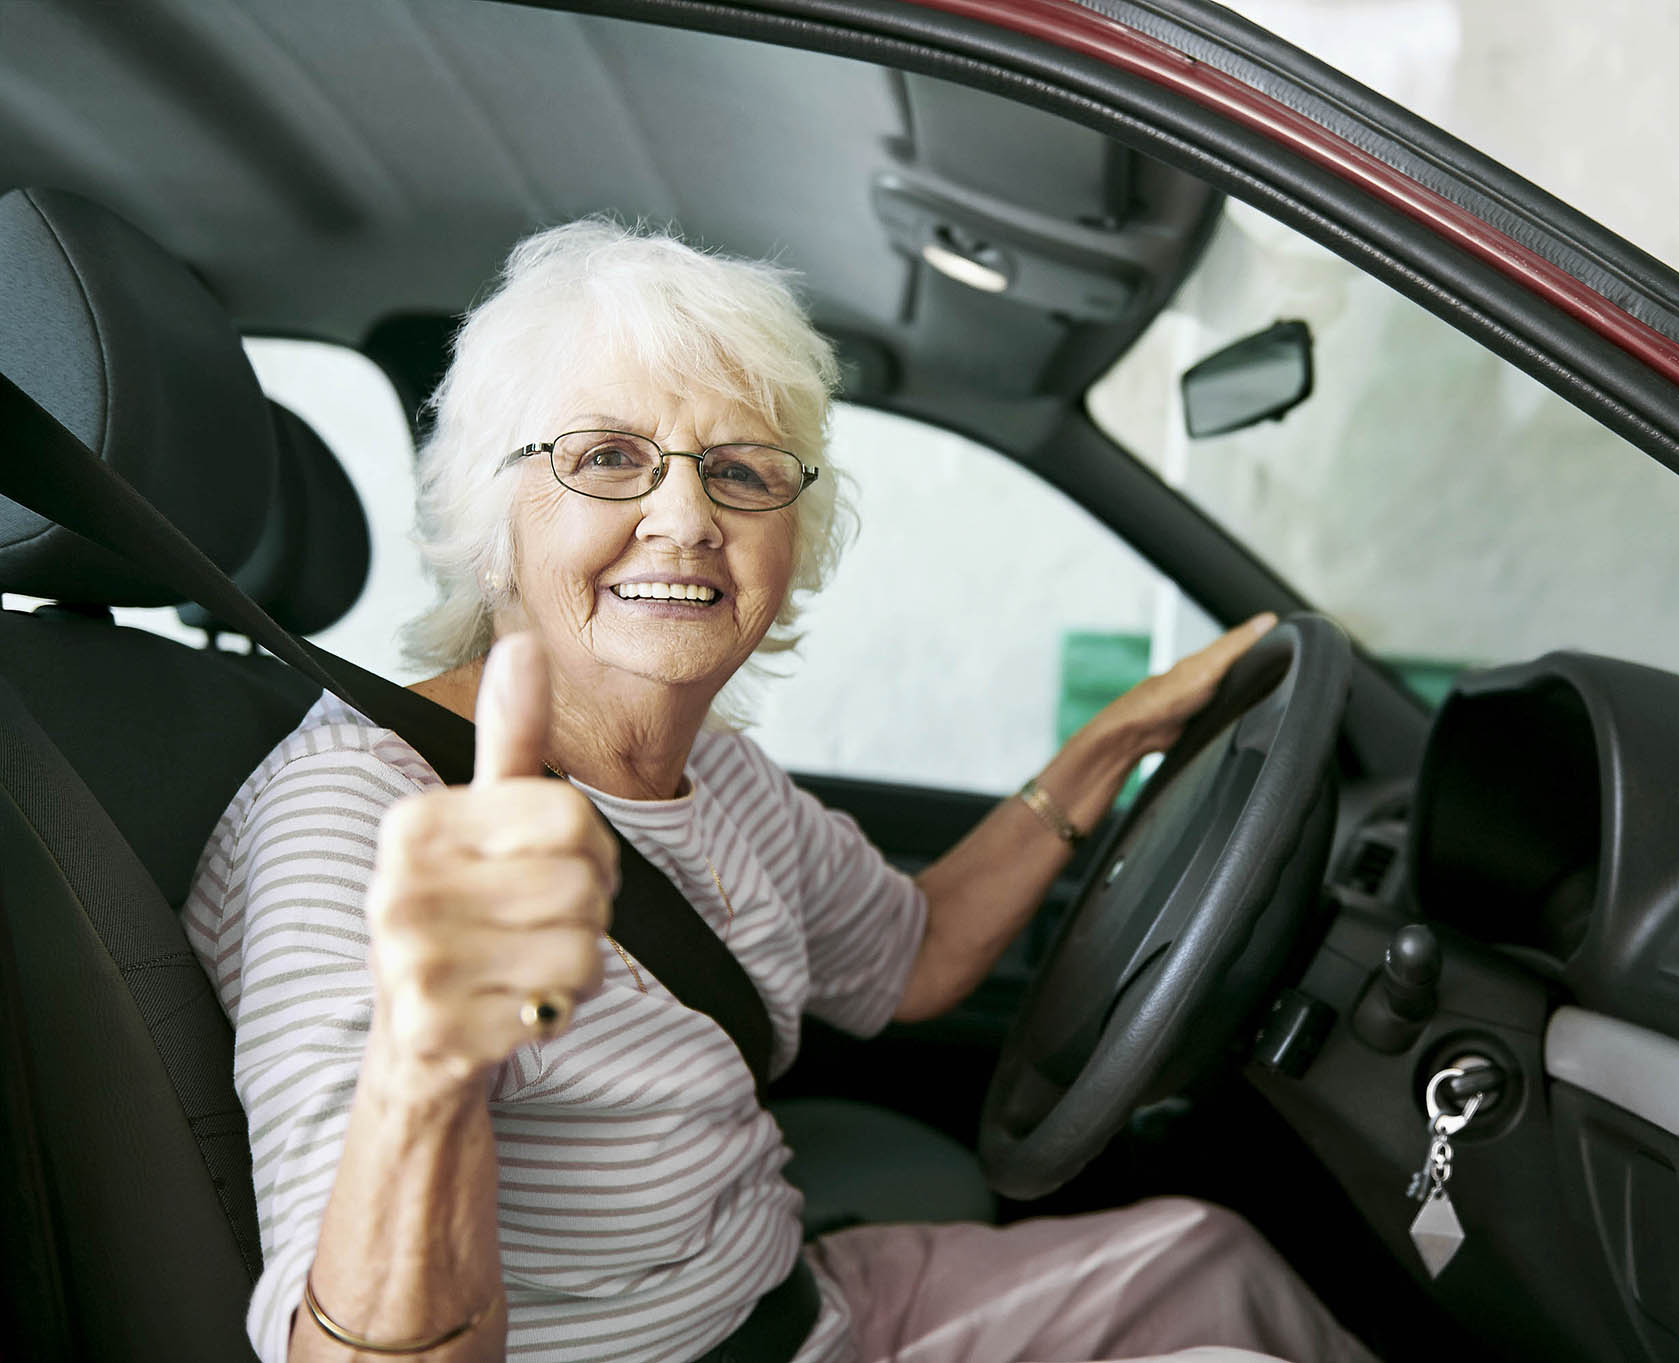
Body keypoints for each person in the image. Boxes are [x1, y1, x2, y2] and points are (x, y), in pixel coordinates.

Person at [184, 218, 1372, 1363]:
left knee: (1206, 1255)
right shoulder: (351, 815)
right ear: (494, 518)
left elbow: (914, 957)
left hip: (798, 1304)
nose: (687, 518)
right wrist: (426, 1062)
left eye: (744, 471)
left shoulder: (724, 776)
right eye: (607, 457)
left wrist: (1114, 741)